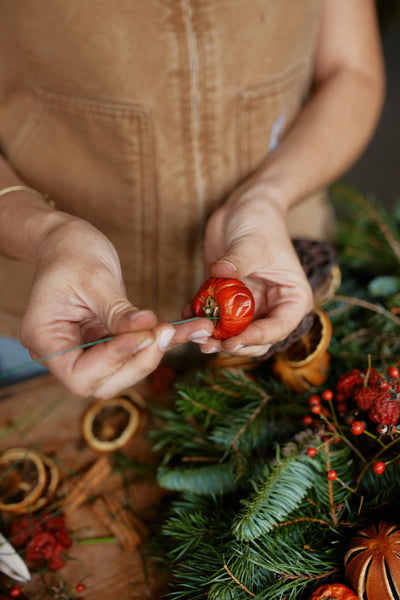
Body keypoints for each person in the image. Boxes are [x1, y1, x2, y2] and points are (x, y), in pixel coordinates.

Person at [0, 0, 384, 398]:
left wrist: (269, 195)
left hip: (276, 278)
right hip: (55, 309)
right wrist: (45, 232)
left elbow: (350, 71)